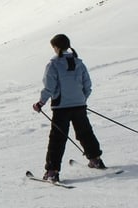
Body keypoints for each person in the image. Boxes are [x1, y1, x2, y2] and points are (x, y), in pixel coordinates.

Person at [32, 34, 105, 183]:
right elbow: (88, 86)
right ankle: (96, 160)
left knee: (57, 139)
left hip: (61, 108)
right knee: (85, 133)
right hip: (79, 105)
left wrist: (40, 103)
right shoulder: (79, 63)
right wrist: (81, 99)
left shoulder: (53, 65)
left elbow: (49, 88)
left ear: (56, 47)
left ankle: (52, 172)